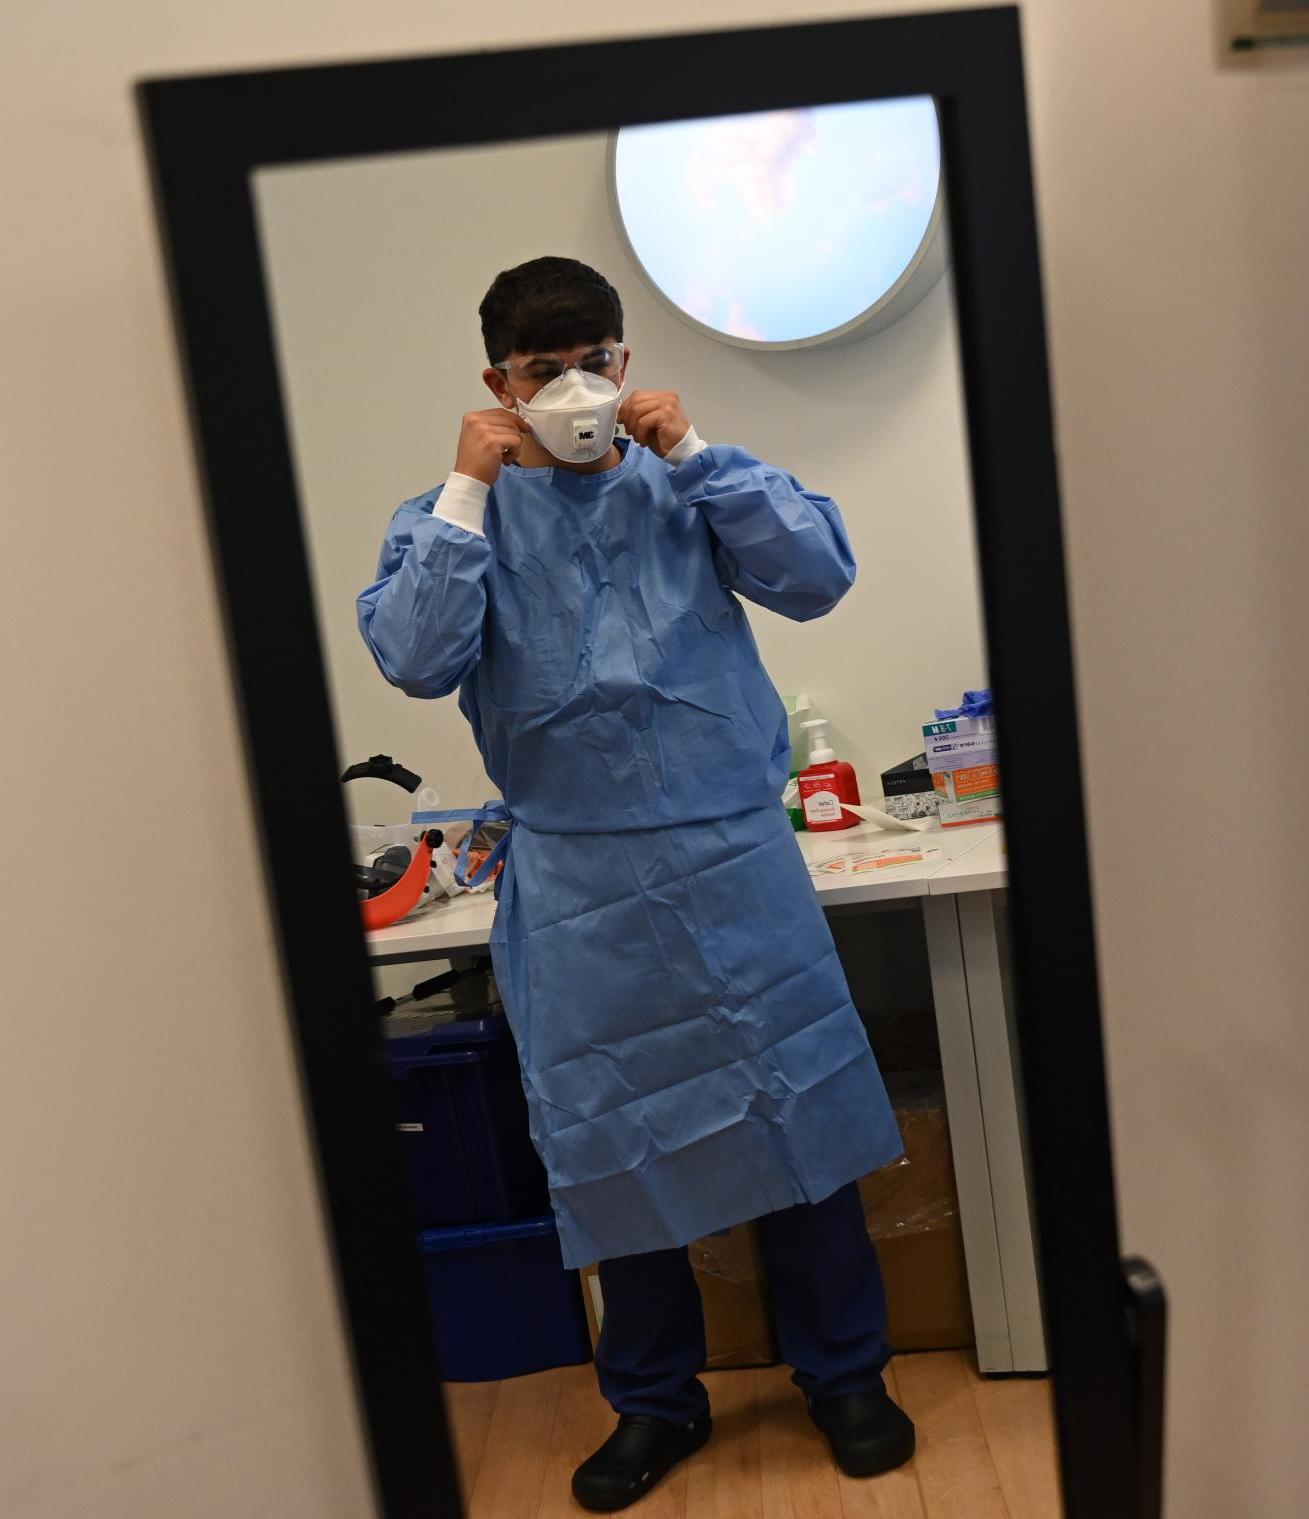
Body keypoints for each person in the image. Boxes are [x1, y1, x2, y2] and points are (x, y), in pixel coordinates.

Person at [359, 257, 912, 1511]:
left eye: (589, 361)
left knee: (805, 1121)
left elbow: (817, 576)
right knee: (614, 1152)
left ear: (624, 356)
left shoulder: (689, 482)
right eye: (537, 370)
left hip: (733, 862)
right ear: (496, 381)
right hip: (580, 887)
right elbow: (411, 655)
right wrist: (467, 484)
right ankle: (655, 1401)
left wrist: (701, 448)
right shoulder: (457, 516)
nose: (569, 389)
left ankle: (844, 1374)